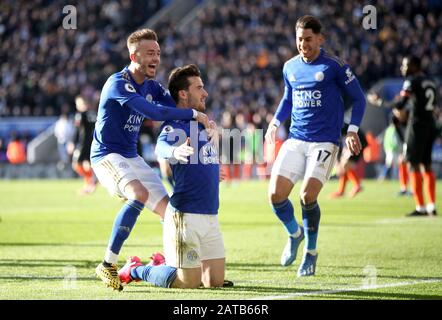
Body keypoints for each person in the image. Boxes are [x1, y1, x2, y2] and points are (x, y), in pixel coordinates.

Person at [90, 28, 210, 291]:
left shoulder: (152, 86)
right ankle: (108, 264)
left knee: (172, 214)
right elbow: (153, 111)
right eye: (149, 53)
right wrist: (192, 114)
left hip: (131, 156)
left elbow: (175, 110)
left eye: (157, 52)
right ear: (134, 55)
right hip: (107, 155)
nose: (156, 57)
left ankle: (169, 264)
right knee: (138, 194)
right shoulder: (118, 83)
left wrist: (199, 116)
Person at [265, 15, 366, 277]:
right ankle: (294, 234)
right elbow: (288, 97)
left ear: (320, 39)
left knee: (307, 196)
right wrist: (275, 123)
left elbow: (359, 98)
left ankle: (310, 252)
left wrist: (352, 131)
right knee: (275, 195)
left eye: (308, 39)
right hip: (296, 139)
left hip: (324, 141)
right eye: (299, 39)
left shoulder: (334, 66)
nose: (303, 44)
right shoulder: (290, 67)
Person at [117, 64, 228, 289]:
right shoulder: (174, 125)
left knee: (214, 283)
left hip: (210, 215)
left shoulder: (201, 124)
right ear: (183, 94)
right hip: (185, 217)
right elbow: (161, 147)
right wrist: (175, 152)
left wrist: (212, 170)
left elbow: (200, 160)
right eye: (199, 88)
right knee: (188, 283)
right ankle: (135, 270)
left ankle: (164, 263)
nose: (205, 93)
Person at [392, 55, 438, 216]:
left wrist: (384, 102)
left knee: (412, 164)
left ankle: (420, 207)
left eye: (406, 65)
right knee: (427, 165)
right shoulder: (431, 81)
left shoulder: (411, 81)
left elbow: (400, 104)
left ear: (414, 66)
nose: (403, 69)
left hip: (417, 126)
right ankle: (432, 205)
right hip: (431, 125)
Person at [329, 123, 368, 198]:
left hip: (358, 142)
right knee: (345, 167)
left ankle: (356, 186)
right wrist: (339, 160)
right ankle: (342, 190)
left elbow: (339, 144)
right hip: (354, 143)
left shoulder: (337, 126)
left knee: (345, 165)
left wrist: (339, 161)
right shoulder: (336, 127)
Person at [69, 95, 97, 194]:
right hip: (92, 142)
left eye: (80, 103)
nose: (78, 105)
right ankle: (89, 183)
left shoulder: (80, 115)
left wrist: (72, 142)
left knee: (76, 164)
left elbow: (77, 131)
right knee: (86, 164)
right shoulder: (94, 113)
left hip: (82, 143)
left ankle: (91, 181)